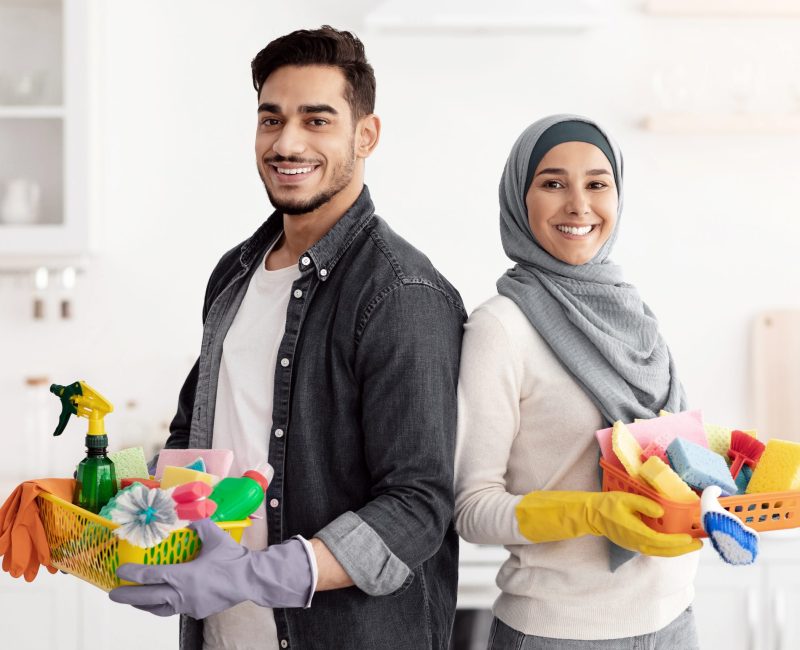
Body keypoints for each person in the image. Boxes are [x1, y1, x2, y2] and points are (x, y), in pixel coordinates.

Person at [109, 26, 465, 650]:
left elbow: (416, 507)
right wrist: (137, 513)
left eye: (316, 120)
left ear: (366, 135)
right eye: (270, 120)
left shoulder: (401, 293)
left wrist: (251, 575)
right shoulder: (236, 272)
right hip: (224, 635)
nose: (287, 142)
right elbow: (196, 432)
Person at [454, 114, 703, 649]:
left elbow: (667, 452)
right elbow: (472, 510)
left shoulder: (631, 311)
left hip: (674, 618)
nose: (579, 204)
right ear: (520, 200)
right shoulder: (501, 327)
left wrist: (720, 490)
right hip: (558, 632)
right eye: (552, 183)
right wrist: (593, 513)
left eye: (597, 183)